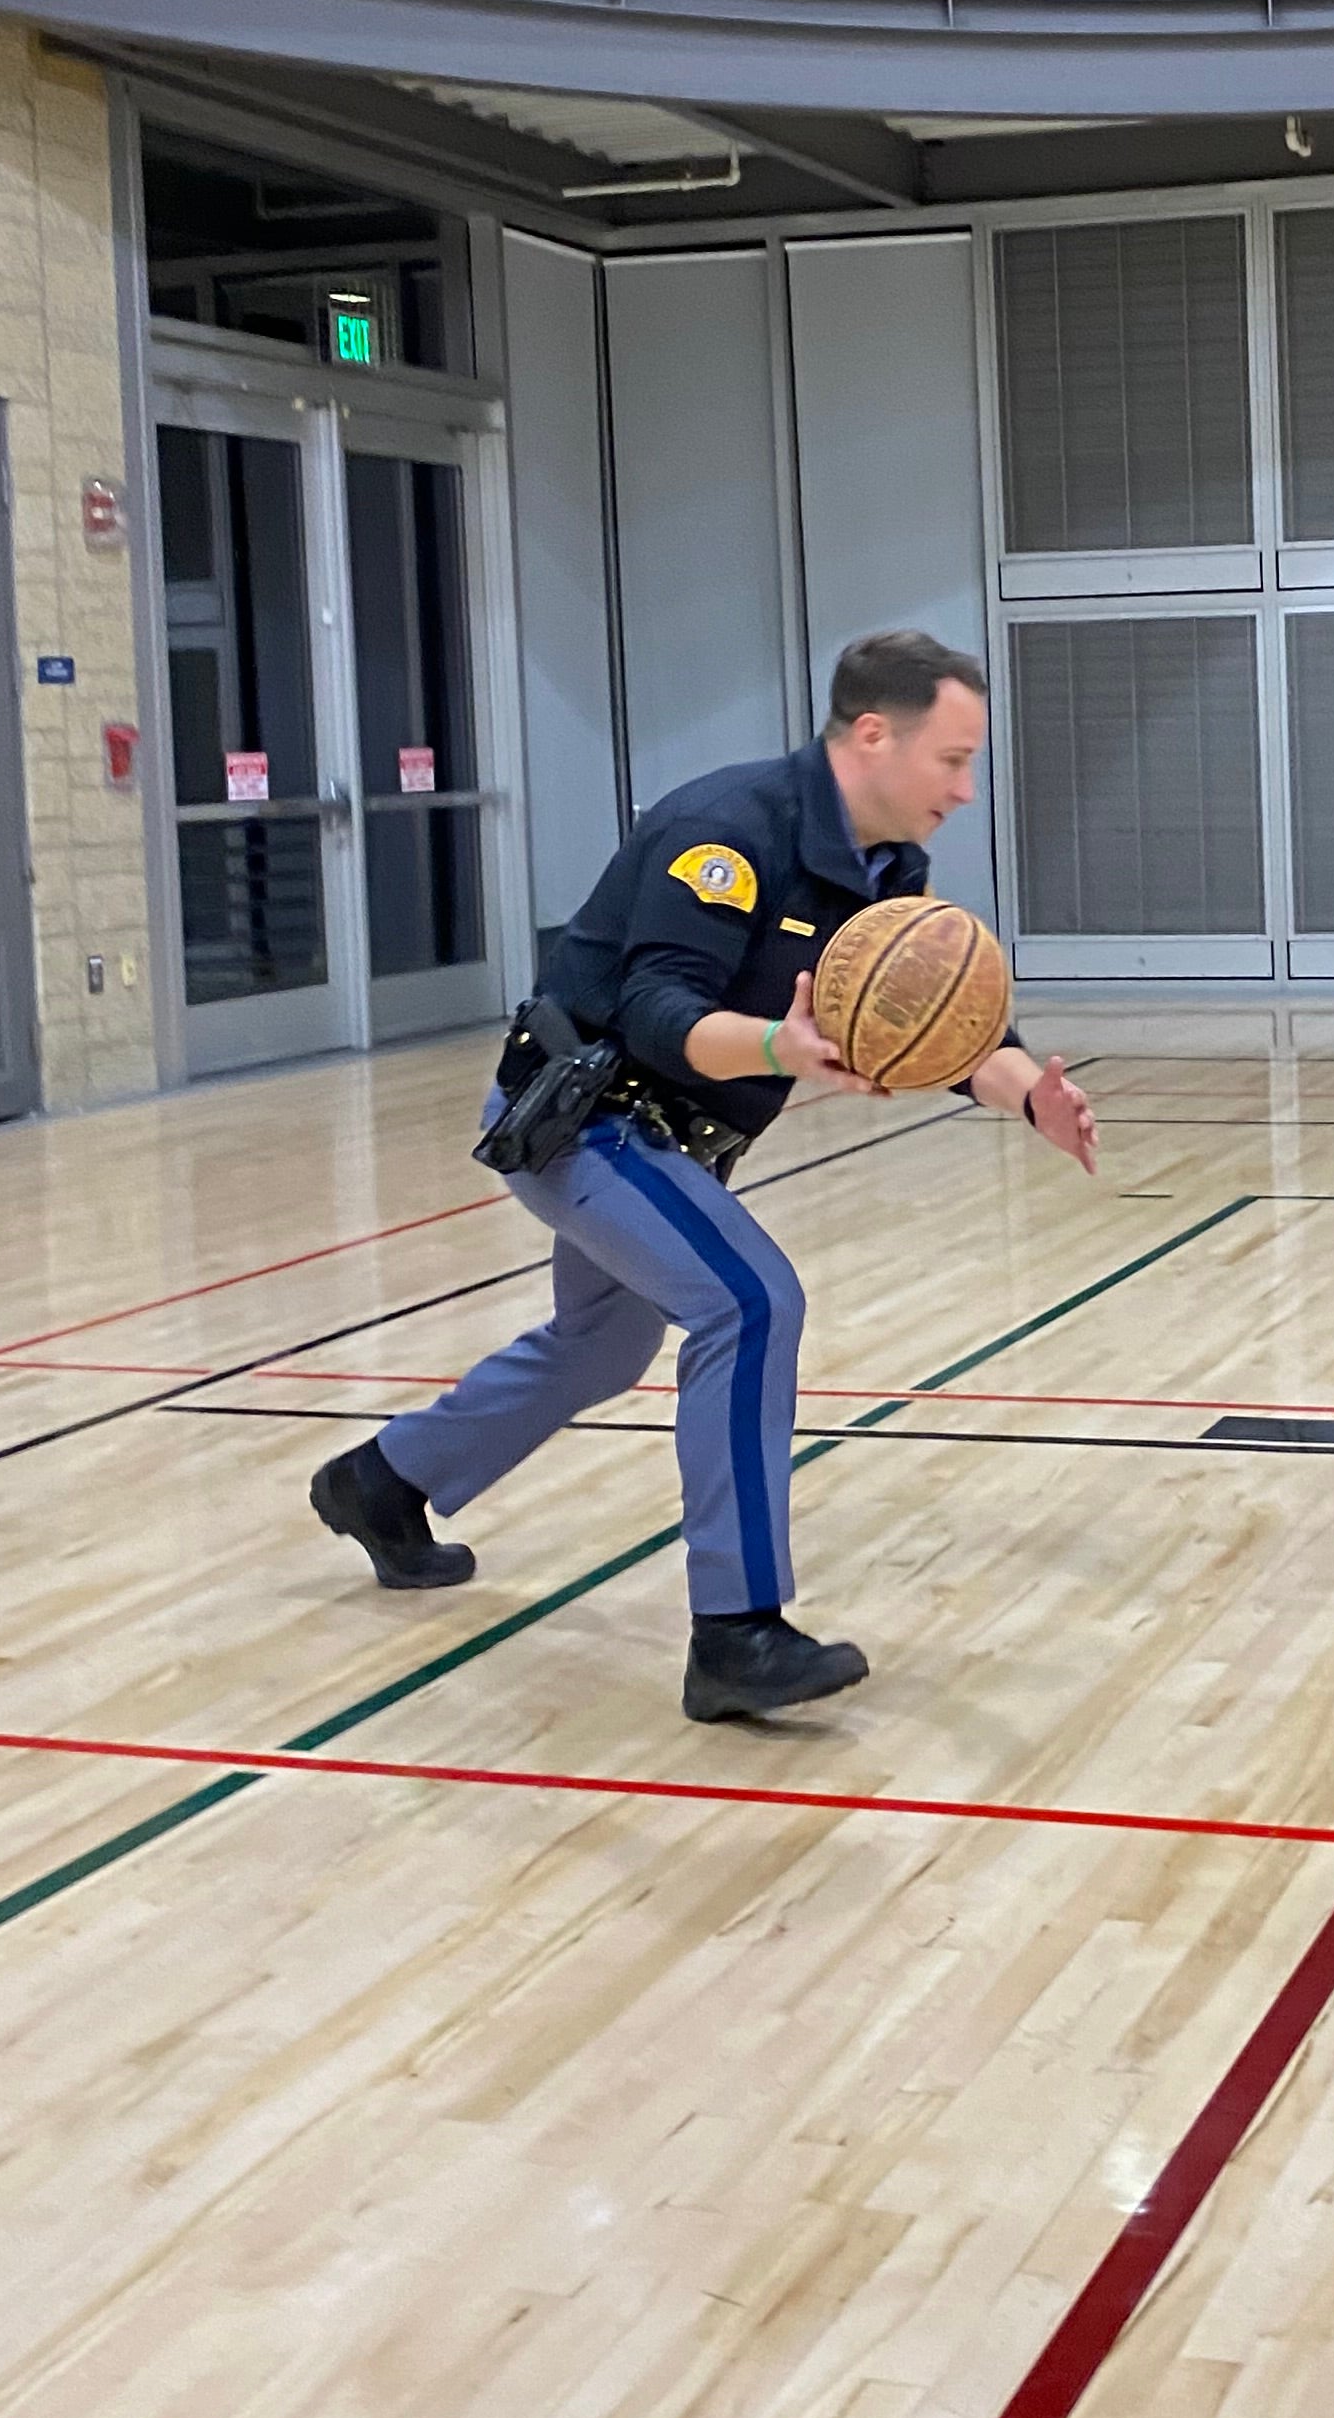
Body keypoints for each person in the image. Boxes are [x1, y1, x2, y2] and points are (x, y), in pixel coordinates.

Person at [308, 630, 1099, 1723]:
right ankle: (737, 1632)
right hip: (584, 1123)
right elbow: (655, 1012)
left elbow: (951, 1025)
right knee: (750, 1301)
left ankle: (382, 1484)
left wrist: (1029, 1098)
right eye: (953, 760)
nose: (966, 791)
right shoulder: (723, 834)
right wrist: (787, 1048)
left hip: (672, 1143)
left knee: (604, 1343)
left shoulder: (886, 868)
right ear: (873, 736)